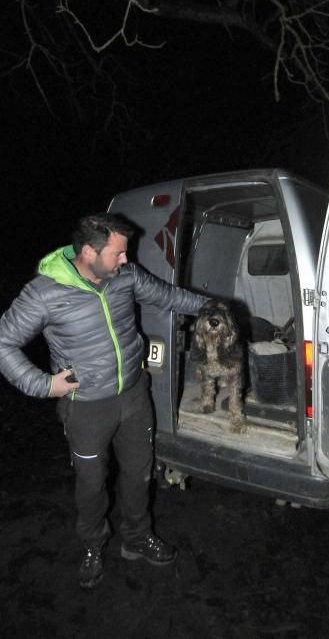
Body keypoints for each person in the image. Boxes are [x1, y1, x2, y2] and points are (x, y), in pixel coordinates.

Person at [0, 213, 206, 590]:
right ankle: (93, 546)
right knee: (92, 484)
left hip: (132, 396)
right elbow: (3, 343)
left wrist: (211, 307)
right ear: (89, 252)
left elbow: (168, 296)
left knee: (138, 475)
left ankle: (137, 538)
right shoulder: (45, 292)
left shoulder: (124, 277)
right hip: (86, 408)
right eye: (118, 253)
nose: (126, 260)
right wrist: (44, 385)